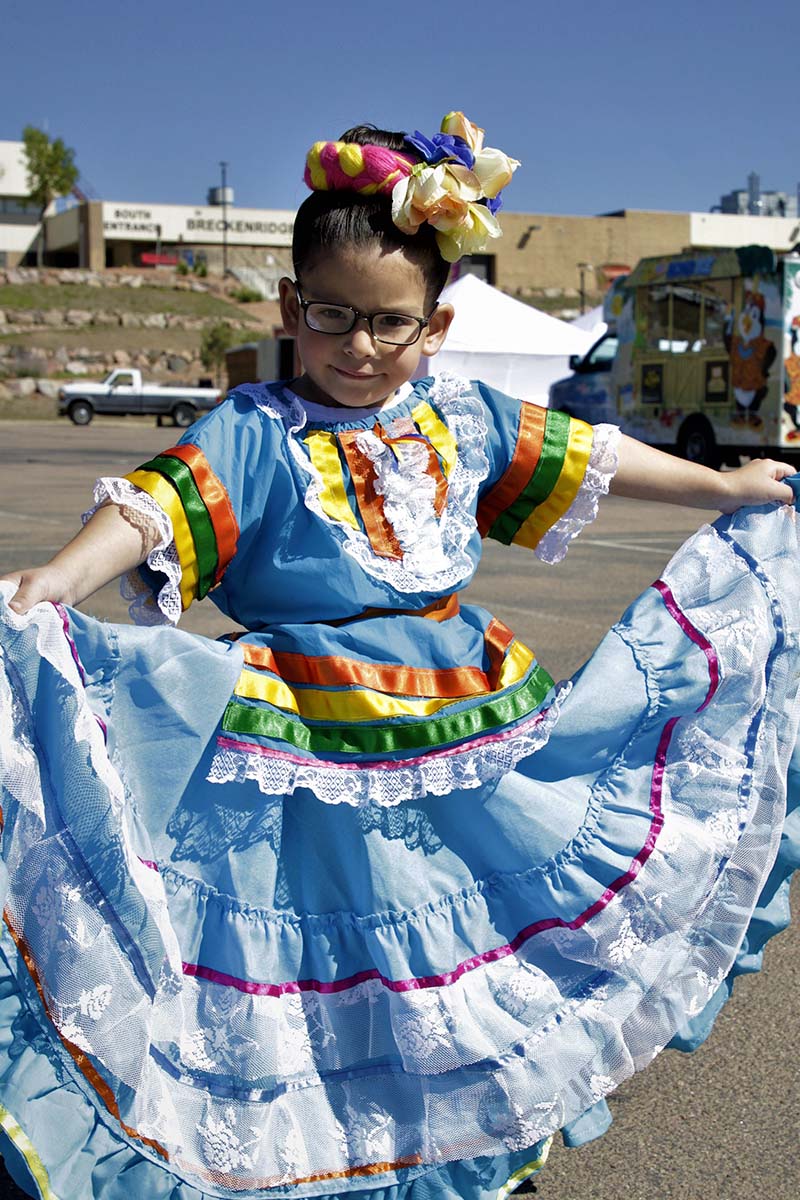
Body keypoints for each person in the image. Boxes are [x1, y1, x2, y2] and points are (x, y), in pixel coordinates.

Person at [0, 113, 798, 1200]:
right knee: (331, 963)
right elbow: (157, 508)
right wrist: (56, 579)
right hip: (303, 749)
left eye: (389, 324)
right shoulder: (257, 428)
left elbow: (594, 458)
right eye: (332, 317)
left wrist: (723, 487)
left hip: (469, 736)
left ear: (435, 323)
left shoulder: (460, 417)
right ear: (290, 308)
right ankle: (341, 1156)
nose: (360, 347)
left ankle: (473, 1147)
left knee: (463, 957)